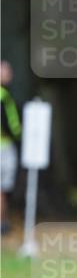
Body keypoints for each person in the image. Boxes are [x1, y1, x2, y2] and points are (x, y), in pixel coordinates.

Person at [0, 61, 21, 235]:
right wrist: (19, 137)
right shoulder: (3, 95)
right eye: (6, 71)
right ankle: (2, 223)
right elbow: (12, 124)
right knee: (2, 188)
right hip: (4, 147)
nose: (9, 74)